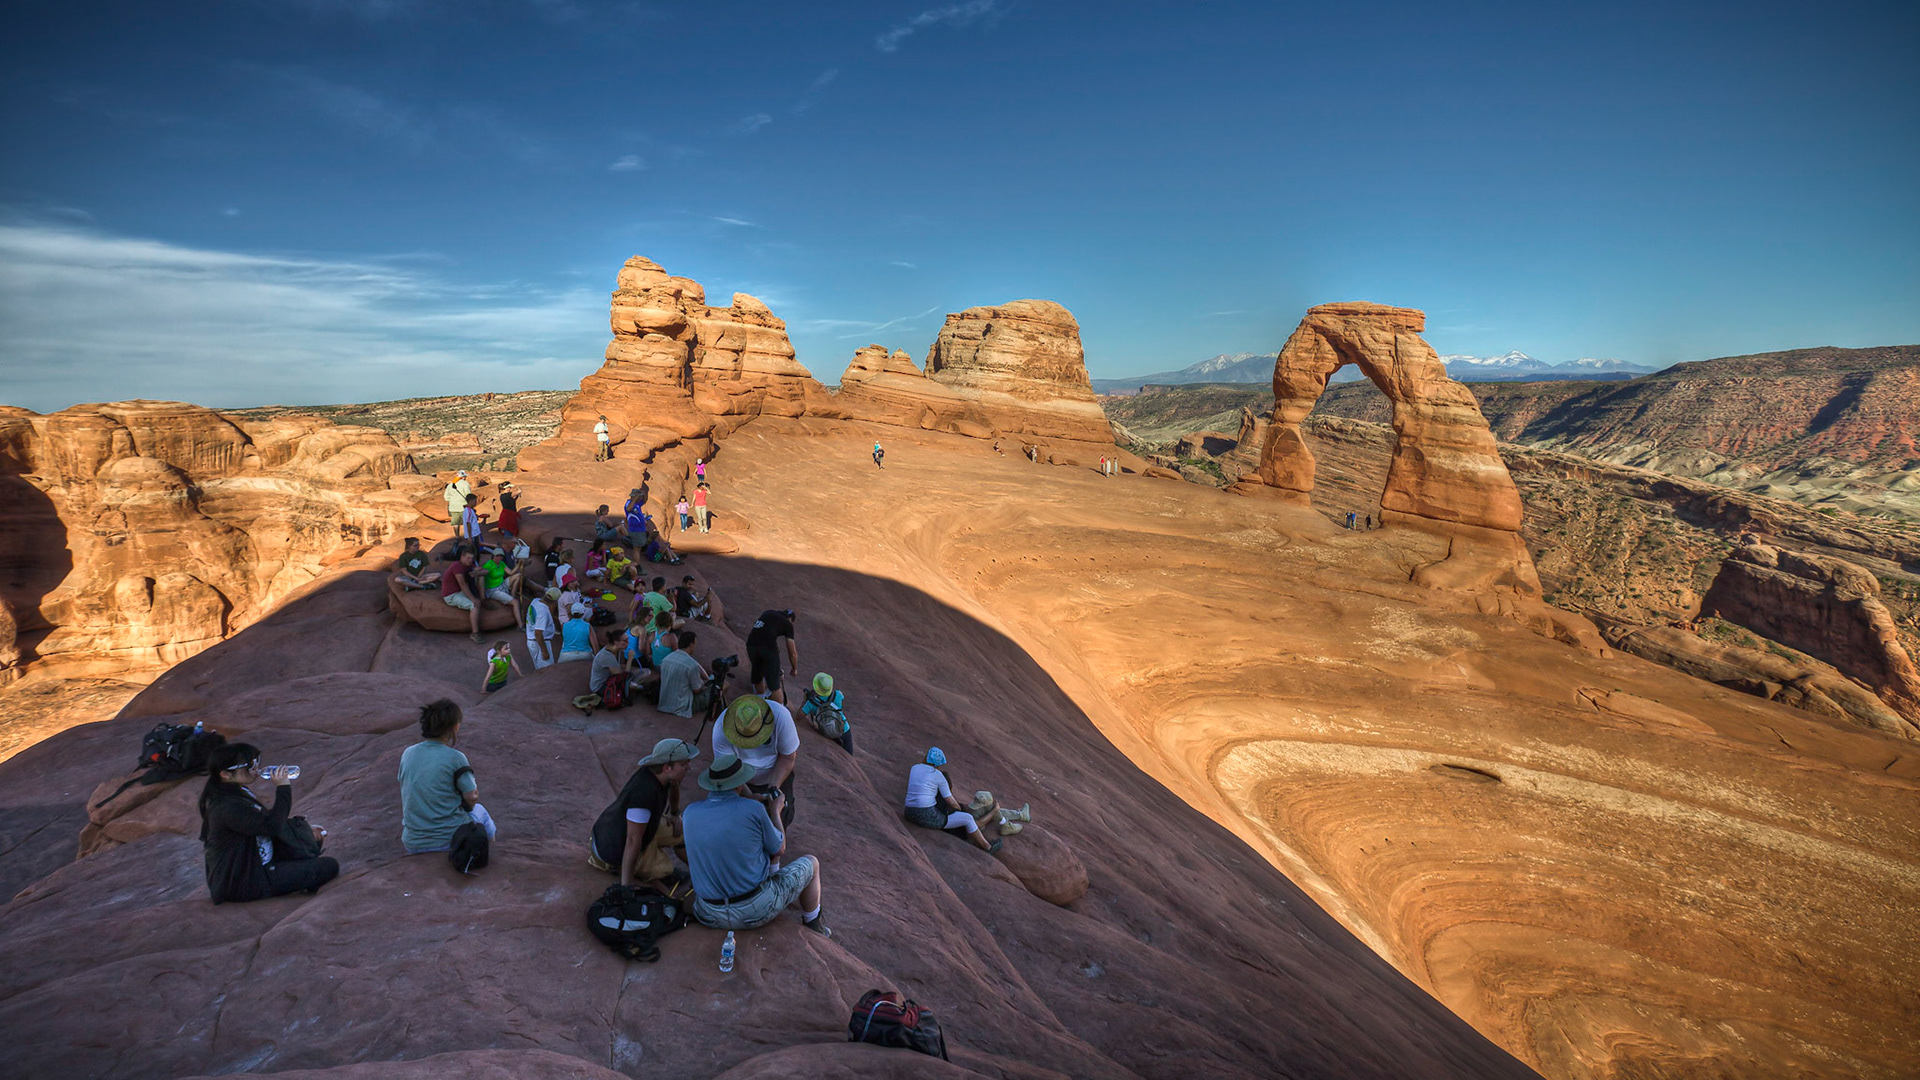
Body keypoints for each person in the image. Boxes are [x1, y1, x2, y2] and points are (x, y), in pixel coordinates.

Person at [680, 754, 830, 937]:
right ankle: (814, 924)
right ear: (739, 784)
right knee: (811, 863)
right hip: (755, 911)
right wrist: (775, 811)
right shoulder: (753, 810)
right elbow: (779, 848)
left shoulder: (689, 813)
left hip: (708, 912)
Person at [199, 742, 340, 904]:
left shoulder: (237, 792)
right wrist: (283, 788)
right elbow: (271, 827)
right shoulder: (226, 806)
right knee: (328, 866)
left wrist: (304, 830)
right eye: (250, 765)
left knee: (306, 845)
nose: (256, 768)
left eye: (256, 761)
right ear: (225, 774)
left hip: (256, 863)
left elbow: (262, 824)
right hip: (244, 881)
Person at [591, 738, 698, 888]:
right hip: (612, 848)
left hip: (641, 829)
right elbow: (633, 840)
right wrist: (626, 887)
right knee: (665, 868)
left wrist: (674, 813)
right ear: (667, 767)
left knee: (683, 832)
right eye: (683, 765)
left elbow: (674, 785)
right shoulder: (643, 794)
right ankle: (628, 870)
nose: (688, 768)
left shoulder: (662, 775)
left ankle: (700, 872)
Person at [398, 699, 481, 854]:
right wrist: (467, 807)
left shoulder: (408, 753)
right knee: (481, 814)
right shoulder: (456, 757)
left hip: (412, 842)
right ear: (455, 727)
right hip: (449, 838)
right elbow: (472, 796)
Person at [712, 694, 800, 827]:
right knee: (741, 822)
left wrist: (773, 789)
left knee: (782, 814)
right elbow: (728, 770)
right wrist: (749, 796)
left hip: (775, 773)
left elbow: (787, 757)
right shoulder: (721, 729)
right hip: (740, 779)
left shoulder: (781, 716)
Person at [904, 747, 997, 852]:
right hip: (925, 815)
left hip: (909, 811)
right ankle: (988, 847)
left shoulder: (915, 768)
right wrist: (958, 809)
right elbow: (951, 801)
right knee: (967, 818)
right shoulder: (938, 776)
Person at [656, 629, 713, 719]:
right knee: (719, 688)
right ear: (691, 645)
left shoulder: (666, 659)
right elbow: (697, 690)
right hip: (682, 706)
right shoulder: (691, 665)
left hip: (665, 703)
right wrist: (704, 684)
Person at [746, 608, 798, 703]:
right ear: (790, 619)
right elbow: (792, 652)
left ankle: (760, 702)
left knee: (757, 676)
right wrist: (794, 668)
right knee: (774, 685)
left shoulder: (768, 612)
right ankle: (779, 710)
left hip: (751, 645)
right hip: (768, 648)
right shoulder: (788, 623)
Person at [800, 671, 854, 753]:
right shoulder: (838, 695)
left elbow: (798, 716)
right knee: (849, 755)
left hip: (826, 730)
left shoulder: (811, 703)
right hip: (844, 729)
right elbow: (842, 697)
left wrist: (805, 700)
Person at [440, 548, 485, 643]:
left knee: (479, 578)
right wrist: (473, 599)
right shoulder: (457, 566)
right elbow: (462, 584)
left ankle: (483, 600)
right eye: (468, 558)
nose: (470, 560)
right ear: (462, 557)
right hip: (451, 595)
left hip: (459, 591)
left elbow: (483, 570)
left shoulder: (468, 566)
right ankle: (475, 633)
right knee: (474, 605)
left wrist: (476, 572)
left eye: (472, 558)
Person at [477, 550, 523, 626]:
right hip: (493, 590)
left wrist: (518, 565)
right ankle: (520, 625)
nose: (499, 558)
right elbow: (482, 573)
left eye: (501, 556)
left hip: (502, 584)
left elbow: (511, 573)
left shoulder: (501, 563)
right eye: (497, 556)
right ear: (493, 556)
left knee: (518, 575)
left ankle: (512, 594)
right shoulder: (489, 565)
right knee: (515, 602)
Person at [526, 587, 559, 669]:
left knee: (539, 669)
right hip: (539, 643)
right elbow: (538, 633)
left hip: (533, 641)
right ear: (554, 601)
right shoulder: (542, 612)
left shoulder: (536, 601)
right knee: (547, 670)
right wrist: (544, 651)